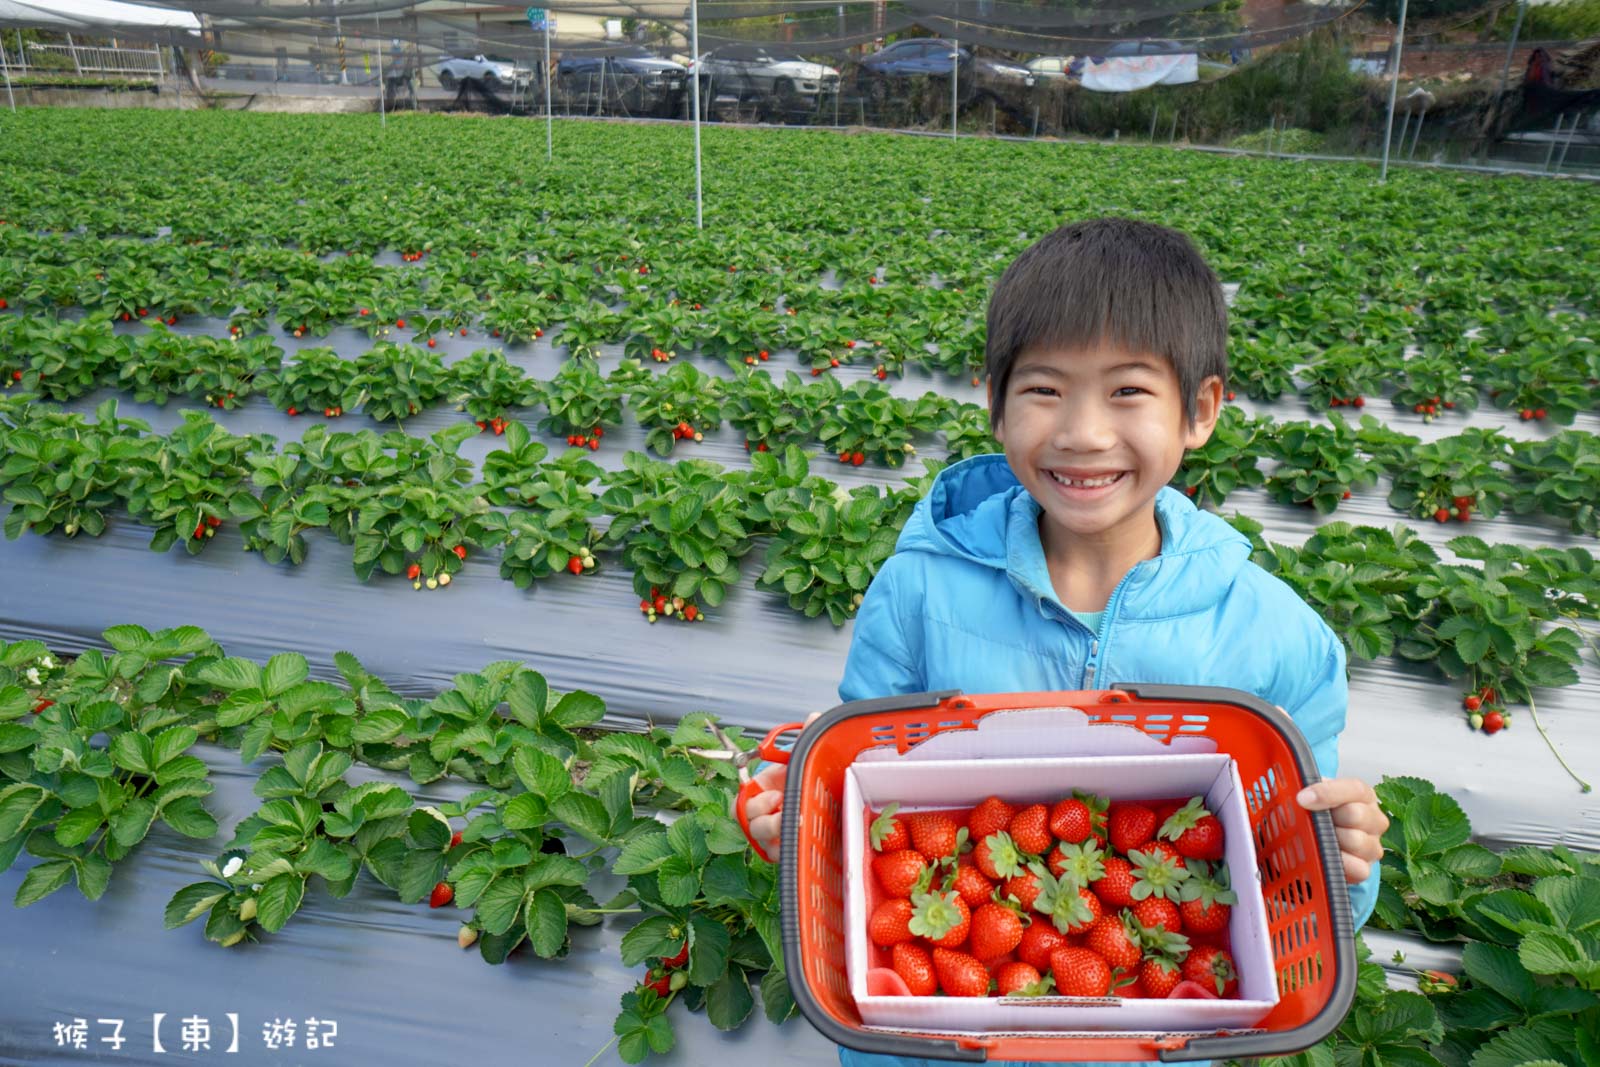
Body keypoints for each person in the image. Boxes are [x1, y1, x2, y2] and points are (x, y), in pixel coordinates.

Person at [742, 217, 1388, 1067]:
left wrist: (1342, 861)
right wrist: (801, 829)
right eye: (1045, 389)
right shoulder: (917, 591)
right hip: (936, 1043)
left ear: (1199, 411)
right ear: (996, 406)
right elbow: (868, 806)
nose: (1083, 432)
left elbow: (1296, 885)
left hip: (1161, 1038)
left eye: (1128, 391)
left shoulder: (1278, 640)